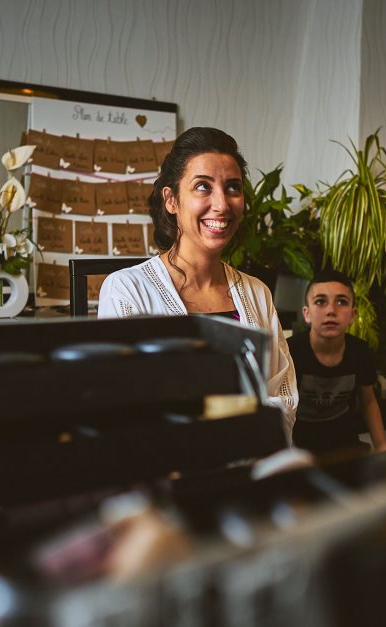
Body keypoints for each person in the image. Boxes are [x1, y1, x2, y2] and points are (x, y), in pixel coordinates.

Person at [98, 127, 297, 440]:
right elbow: (126, 409)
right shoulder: (126, 290)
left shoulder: (257, 293)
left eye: (233, 188)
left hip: (250, 469)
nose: (221, 204)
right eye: (203, 187)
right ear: (172, 200)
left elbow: (283, 396)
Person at [288, 270, 386, 455]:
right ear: (307, 313)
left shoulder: (359, 351)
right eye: (320, 301)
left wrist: (382, 446)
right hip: (299, 444)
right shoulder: (290, 351)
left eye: (341, 302)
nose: (331, 310)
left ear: (352, 315)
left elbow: (368, 401)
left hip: (345, 442)